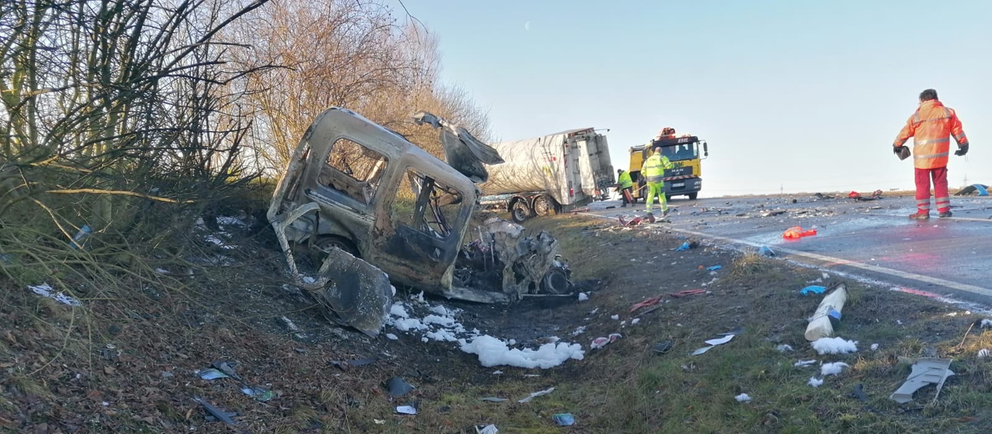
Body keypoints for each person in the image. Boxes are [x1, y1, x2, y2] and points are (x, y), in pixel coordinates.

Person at [893, 89, 970, 220]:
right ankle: (944, 210)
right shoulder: (947, 112)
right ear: (936, 98)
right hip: (940, 157)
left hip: (921, 160)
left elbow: (905, 132)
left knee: (922, 185)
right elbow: (957, 130)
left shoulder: (917, 116)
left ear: (922, 100)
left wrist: (897, 144)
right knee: (940, 183)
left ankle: (922, 212)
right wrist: (963, 145)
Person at [640, 145, 674, 216]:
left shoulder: (648, 160)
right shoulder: (662, 158)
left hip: (649, 180)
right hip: (658, 180)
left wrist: (647, 177)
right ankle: (664, 210)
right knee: (661, 195)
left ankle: (648, 211)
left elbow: (642, 171)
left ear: (654, 151)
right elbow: (669, 166)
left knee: (650, 195)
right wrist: (673, 166)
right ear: (660, 151)